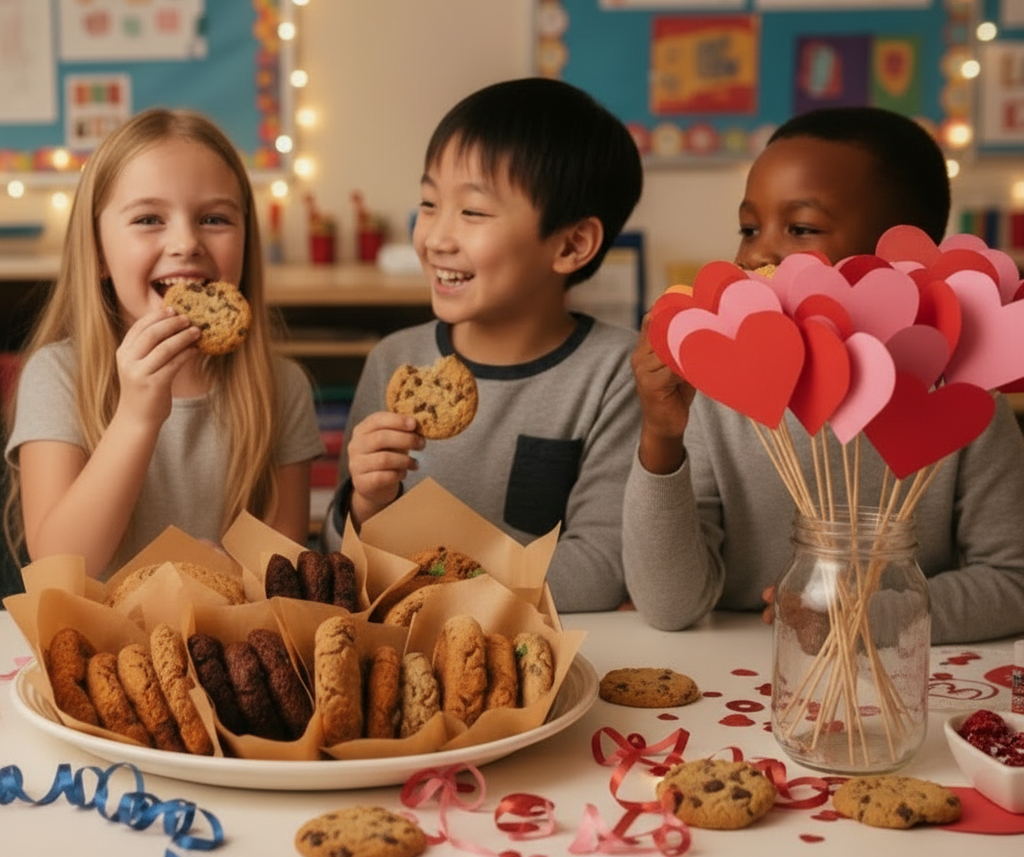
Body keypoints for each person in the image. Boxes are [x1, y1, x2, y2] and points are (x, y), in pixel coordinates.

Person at [624, 105, 1024, 643]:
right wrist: (661, 434)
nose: (757, 252)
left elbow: (1013, 583)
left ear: (900, 260)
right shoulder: (715, 394)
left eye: (801, 228)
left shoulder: (963, 399)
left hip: (892, 670)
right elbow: (668, 606)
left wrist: (866, 616)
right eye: (748, 228)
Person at [321, 77, 644, 612]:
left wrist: (438, 583)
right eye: (429, 203)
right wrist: (367, 502)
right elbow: (339, 563)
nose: (435, 238)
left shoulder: (613, 374)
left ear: (571, 244)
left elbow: (598, 570)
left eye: (472, 212)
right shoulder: (395, 362)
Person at [3, 108, 324, 579]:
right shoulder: (58, 376)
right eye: (149, 218)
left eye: (214, 218)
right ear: (98, 252)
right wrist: (137, 416)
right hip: (102, 628)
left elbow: (284, 558)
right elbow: (58, 566)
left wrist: (230, 572)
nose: (186, 242)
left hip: (229, 624)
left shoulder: (280, 386)